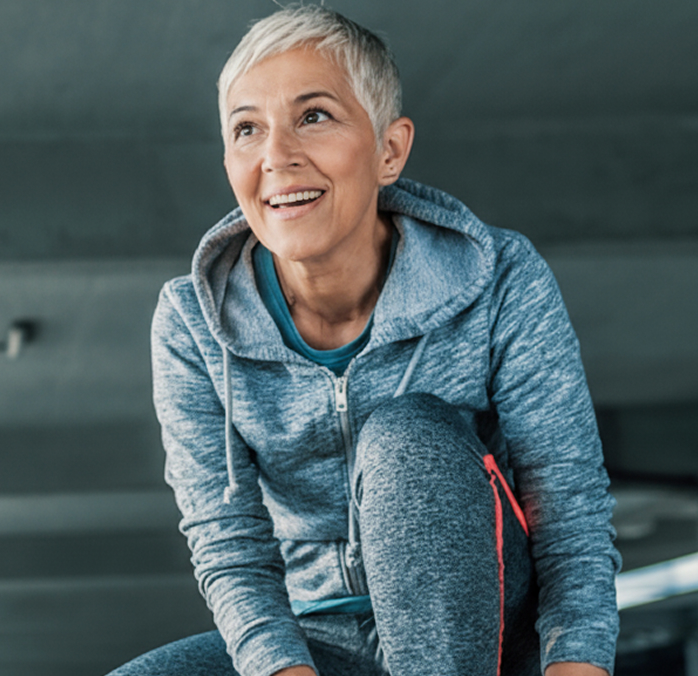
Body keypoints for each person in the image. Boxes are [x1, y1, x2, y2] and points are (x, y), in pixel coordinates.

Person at [108, 6, 619, 676]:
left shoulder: (501, 276)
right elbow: (227, 544)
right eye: (246, 129)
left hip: (487, 626)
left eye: (313, 116)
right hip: (319, 639)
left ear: (390, 150)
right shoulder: (192, 321)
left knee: (408, 439)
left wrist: (575, 664)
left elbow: (569, 504)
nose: (276, 156)